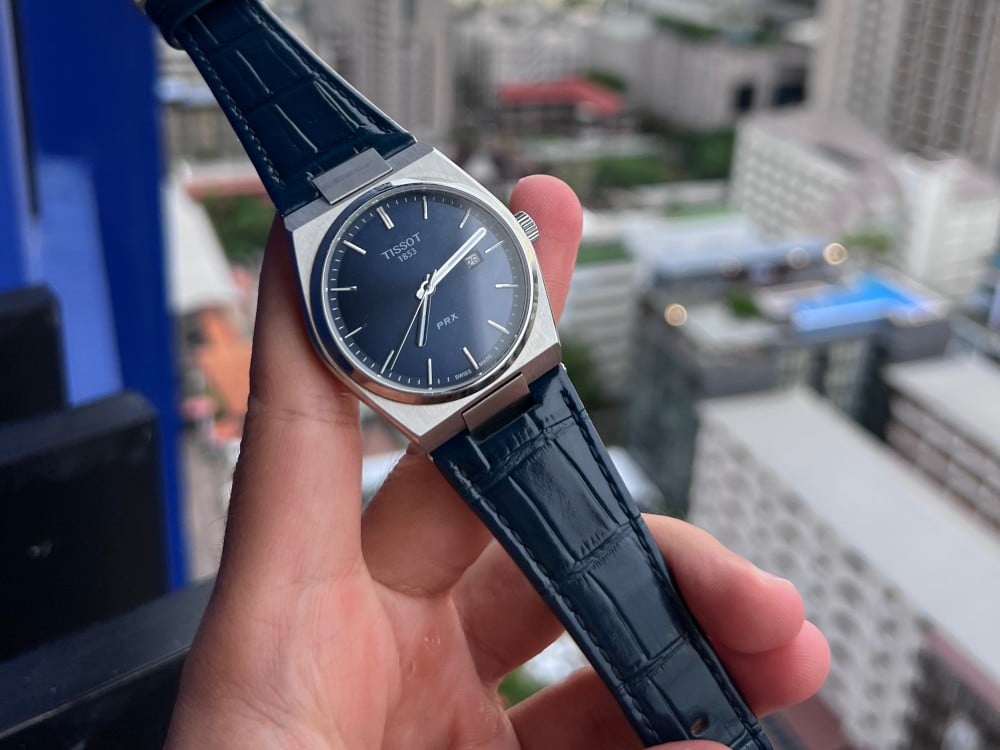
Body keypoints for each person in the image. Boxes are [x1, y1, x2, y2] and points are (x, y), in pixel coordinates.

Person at [164, 176, 830, 749]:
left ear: (516, 238)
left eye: (433, 279)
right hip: (477, 394)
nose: (425, 287)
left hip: (499, 377)